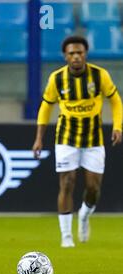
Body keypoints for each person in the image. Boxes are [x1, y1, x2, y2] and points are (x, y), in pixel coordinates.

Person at [32, 36, 122, 248]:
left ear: (85, 54)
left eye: (79, 52)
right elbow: (46, 107)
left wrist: (118, 127)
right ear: (65, 56)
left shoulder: (100, 75)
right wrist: (38, 139)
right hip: (66, 138)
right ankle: (66, 236)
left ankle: (83, 215)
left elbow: (116, 101)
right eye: (72, 53)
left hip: (93, 138)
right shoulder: (57, 79)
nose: (76, 56)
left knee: (93, 188)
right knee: (67, 182)